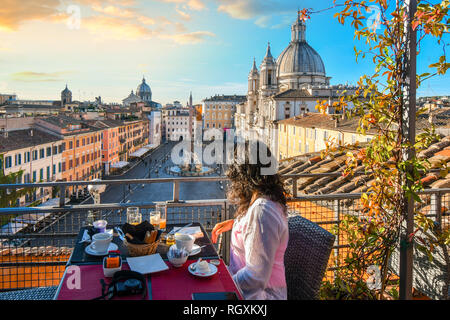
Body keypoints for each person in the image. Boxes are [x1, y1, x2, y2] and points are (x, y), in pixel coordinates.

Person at [211, 141, 289, 300]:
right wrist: (237, 224)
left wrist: (224, 286)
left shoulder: (262, 211)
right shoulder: (266, 202)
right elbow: (261, 234)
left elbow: (255, 277)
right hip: (248, 291)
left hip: (260, 296)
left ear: (244, 174)